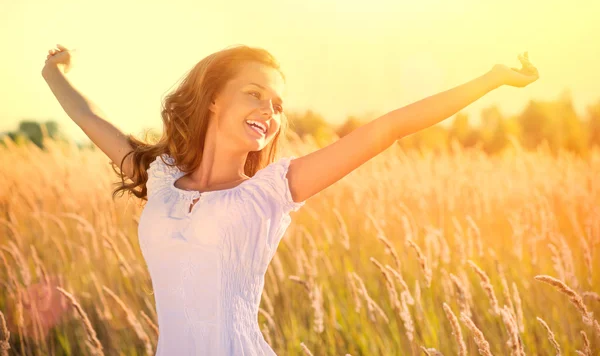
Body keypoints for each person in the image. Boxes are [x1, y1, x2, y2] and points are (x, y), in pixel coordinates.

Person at [41, 43, 540, 355]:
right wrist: (53, 74)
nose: (269, 110)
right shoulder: (163, 177)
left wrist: (491, 79)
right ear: (214, 98)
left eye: (278, 104)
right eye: (255, 94)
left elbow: (387, 129)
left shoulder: (271, 191)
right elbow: (90, 120)